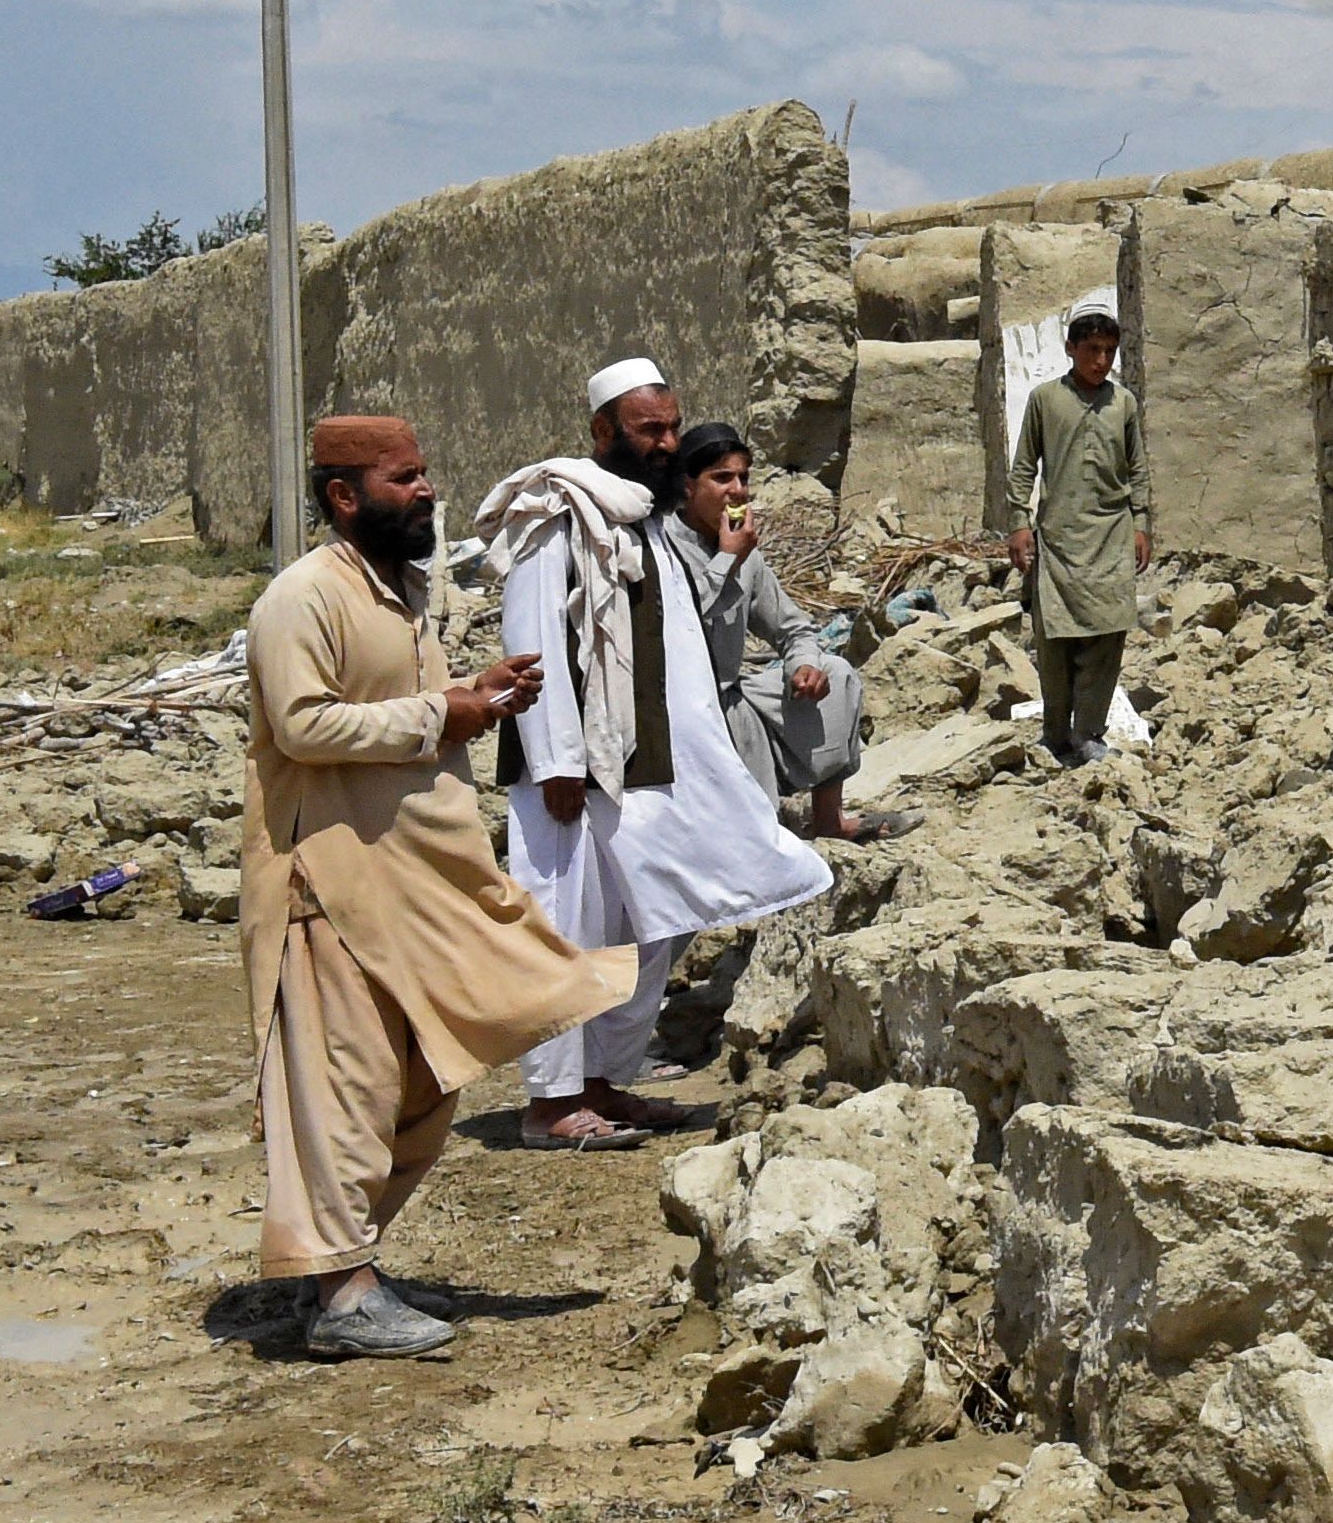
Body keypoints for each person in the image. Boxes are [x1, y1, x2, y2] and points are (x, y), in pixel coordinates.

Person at [244, 415, 630, 1358]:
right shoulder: (303, 598)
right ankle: (341, 1295)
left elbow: (393, 710)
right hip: (324, 884)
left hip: (406, 881)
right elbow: (301, 725)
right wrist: (438, 712)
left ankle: (346, 1259)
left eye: (425, 475)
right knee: (352, 1087)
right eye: (404, 478)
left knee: (428, 1078)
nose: (425, 493)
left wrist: (474, 693)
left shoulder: (402, 595)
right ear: (345, 496)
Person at [482, 360, 829, 1150]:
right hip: (569, 774)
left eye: (674, 428)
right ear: (604, 432)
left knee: (652, 923)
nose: (668, 443)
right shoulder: (556, 515)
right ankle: (550, 1102)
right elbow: (531, 642)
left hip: (646, 763)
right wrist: (556, 760)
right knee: (563, 929)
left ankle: (606, 1081)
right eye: (651, 431)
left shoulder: (643, 518)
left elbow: (679, 638)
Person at [655, 420, 898, 844]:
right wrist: (727, 560)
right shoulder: (662, 547)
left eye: (743, 478)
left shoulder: (744, 553)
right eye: (721, 478)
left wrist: (803, 665)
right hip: (682, 712)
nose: (737, 491)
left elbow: (792, 626)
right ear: (689, 487)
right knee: (750, 835)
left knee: (837, 673)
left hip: (733, 700)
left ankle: (829, 821)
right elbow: (680, 623)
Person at [1016, 303, 1148, 768]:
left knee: (1107, 635)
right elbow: (1023, 468)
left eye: (1109, 351)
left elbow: (1138, 469)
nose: (1101, 360)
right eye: (1092, 350)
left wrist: (1142, 523)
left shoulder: (1124, 404)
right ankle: (1055, 734)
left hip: (1111, 535)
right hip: (1058, 539)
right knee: (1054, 643)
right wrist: (1018, 523)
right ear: (1071, 349)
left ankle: (1089, 732)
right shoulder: (1045, 400)